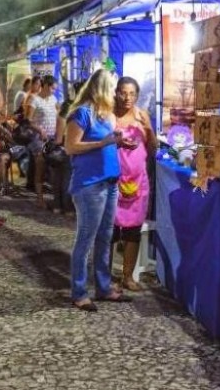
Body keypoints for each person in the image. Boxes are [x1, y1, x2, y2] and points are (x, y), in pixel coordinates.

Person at [65, 69, 131, 312]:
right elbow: (71, 147)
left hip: (110, 183)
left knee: (105, 237)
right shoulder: (82, 113)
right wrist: (103, 142)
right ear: (102, 88)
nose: (116, 93)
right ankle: (79, 292)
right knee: (86, 239)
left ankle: (103, 287)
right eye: (113, 87)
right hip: (89, 185)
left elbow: (107, 144)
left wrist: (119, 142)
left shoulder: (107, 116)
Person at [111, 76, 157, 291]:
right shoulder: (109, 117)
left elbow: (153, 149)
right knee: (110, 231)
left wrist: (148, 128)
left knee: (133, 230)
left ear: (137, 95)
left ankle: (127, 276)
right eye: (123, 92)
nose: (127, 97)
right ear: (116, 93)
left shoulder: (142, 116)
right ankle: (105, 275)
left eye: (132, 93)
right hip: (112, 180)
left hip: (138, 181)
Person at [26, 74, 59, 208]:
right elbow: (28, 120)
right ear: (45, 86)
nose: (54, 91)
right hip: (38, 138)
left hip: (52, 137)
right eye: (52, 88)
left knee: (54, 166)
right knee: (40, 164)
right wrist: (40, 130)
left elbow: (58, 114)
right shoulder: (34, 99)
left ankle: (56, 198)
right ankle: (39, 198)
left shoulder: (53, 99)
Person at [50, 81, 80, 216]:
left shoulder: (65, 108)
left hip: (61, 147)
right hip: (70, 147)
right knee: (67, 178)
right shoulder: (74, 110)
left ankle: (57, 206)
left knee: (59, 177)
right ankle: (68, 208)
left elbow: (58, 136)